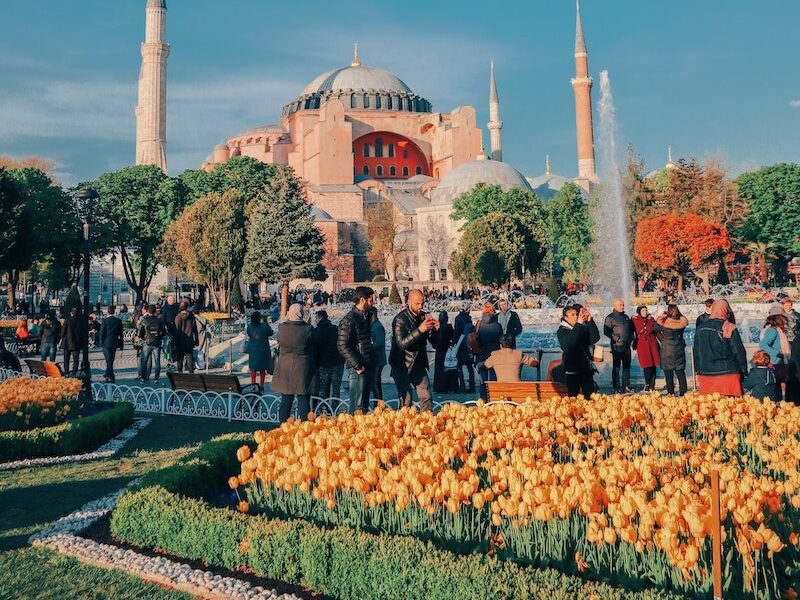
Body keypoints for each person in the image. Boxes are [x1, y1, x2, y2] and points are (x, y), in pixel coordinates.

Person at [388, 289, 440, 411]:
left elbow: (435, 344)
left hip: (418, 363)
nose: (420, 306)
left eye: (422, 303)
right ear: (409, 302)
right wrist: (420, 330)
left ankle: (427, 422)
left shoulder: (423, 316)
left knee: (426, 395)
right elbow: (401, 344)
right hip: (401, 364)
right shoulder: (400, 319)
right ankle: (404, 425)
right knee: (406, 399)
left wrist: (436, 331)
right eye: (417, 303)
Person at [272, 303, 317, 422]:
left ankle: (283, 426)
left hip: (285, 366)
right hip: (302, 367)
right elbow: (313, 343)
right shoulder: (307, 329)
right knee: (303, 398)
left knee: (286, 399)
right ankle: (305, 427)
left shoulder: (282, 328)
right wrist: (308, 324)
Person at [693, 299, 747, 395]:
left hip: (706, 374)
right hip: (729, 373)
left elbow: (697, 352)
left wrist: (698, 371)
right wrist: (743, 372)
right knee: (731, 407)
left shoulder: (700, 328)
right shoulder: (729, 327)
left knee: (710, 407)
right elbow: (739, 352)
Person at [337, 286, 374, 414]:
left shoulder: (365, 316)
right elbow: (342, 345)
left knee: (363, 402)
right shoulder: (350, 319)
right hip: (357, 367)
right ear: (363, 300)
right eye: (371, 300)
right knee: (357, 405)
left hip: (366, 363)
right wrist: (358, 365)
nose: (372, 303)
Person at [557, 305, 599, 397]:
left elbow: (594, 338)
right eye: (572, 315)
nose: (576, 316)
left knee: (591, 396)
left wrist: (590, 321)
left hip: (585, 368)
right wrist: (579, 325)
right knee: (573, 397)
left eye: (576, 314)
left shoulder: (580, 328)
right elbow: (570, 343)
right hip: (572, 370)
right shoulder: (562, 331)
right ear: (565, 318)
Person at [654, 305, 689, 396]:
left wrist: (661, 316)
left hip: (667, 351)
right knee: (680, 373)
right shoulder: (681, 323)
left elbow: (654, 328)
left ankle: (671, 393)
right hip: (679, 349)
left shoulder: (665, 322)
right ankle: (683, 394)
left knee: (668, 375)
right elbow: (683, 321)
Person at [311, 310, 344, 399]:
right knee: (336, 391)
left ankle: (323, 410)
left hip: (323, 365)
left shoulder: (316, 331)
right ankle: (335, 409)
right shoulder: (336, 329)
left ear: (318, 318)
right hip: (338, 363)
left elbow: (315, 350)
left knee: (323, 390)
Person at [604, 298, 634, 394]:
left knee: (627, 367)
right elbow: (606, 331)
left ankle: (626, 386)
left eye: (623, 305)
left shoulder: (625, 316)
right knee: (616, 367)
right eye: (620, 305)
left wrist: (631, 338)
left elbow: (630, 329)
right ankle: (616, 387)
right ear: (615, 306)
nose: (623, 306)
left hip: (626, 346)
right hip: (617, 346)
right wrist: (616, 338)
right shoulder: (610, 317)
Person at [759, 306, 791, 394]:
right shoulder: (772, 330)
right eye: (782, 317)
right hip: (775, 362)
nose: (784, 319)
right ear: (777, 318)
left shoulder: (777, 329)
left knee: (781, 384)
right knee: (778, 384)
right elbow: (763, 344)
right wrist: (777, 353)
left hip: (778, 361)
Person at [632, 305, 661, 392]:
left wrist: (664, 341)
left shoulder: (651, 319)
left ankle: (652, 385)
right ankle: (647, 384)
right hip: (642, 345)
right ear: (639, 312)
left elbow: (657, 332)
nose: (645, 312)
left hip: (652, 344)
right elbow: (630, 330)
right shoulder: (635, 320)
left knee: (653, 364)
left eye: (646, 310)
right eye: (643, 310)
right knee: (646, 365)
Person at [475, 303, 503, 386]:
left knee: (483, 378)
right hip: (494, 355)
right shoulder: (498, 326)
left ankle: (483, 397)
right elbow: (501, 340)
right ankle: (493, 397)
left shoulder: (479, 324)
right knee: (493, 378)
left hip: (481, 354)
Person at [138, 304, 166, 383]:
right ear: (155, 311)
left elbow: (140, 332)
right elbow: (164, 332)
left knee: (144, 361)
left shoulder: (145, 319)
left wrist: (144, 338)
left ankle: (143, 378)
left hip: (147, 343)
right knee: (157, 362)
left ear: (148, 311)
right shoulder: (159, 320)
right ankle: (156, 379)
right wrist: (159, 338)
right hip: (157, 343)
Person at [780, 297, 800, 403]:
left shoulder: (797, 315)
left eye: (789, 304)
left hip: (796, 340)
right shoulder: (780, 316)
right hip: (785, 341)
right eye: (785, 304)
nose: (787, 306)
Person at [245, 311, 273, 388]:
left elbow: (249, 334)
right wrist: (266, 323)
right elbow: (270, 332)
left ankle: (253, 384)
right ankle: (261, 384)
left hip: (253, 350)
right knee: (262, 369)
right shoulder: (263, 326)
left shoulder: (250, 327)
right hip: (263, 350)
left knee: (253, 369)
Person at [432, 311, 458, 393]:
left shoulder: (437, 328)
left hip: (439, 352)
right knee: (449, 369)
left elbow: (433, 341)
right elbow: (453, 339)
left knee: (439, 371)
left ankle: (439, 387)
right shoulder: (449, 327)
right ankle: (450, 387)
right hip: (447, 351)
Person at [452, 302, 475, 393]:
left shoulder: (458, 318)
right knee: (470, 367)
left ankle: (462, 386)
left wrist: (454, 343)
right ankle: (472, 387)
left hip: (460, 345)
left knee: (459, 367)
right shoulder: (469, 318)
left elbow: (457, 332)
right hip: (469, 345)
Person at [98, 305, 124, 382]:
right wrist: (121, 345)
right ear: (114, 311)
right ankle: (107, 374)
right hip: (114, 342)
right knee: (111, 360)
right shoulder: (118, 321)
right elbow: (121, 334)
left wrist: (100, 343)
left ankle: (111, 376)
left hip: (106, 343)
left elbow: (102, 333)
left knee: (109, 360)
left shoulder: (105, 321)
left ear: (107, 312)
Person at [173, 301, 198, 373]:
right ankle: (191, 374)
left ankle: (180, 374)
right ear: (187, 307)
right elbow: (195, 329)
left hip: (180, 342)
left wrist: (174, 342)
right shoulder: (191, 316)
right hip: (189, 341)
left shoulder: (178, 317)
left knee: (180, 360)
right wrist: (196, 339)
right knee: (189, 358)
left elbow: (177, 330)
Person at [369, 307, 387, 401]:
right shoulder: (374, 325)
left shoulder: (377, 326)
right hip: (377, 359)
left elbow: (379, 343)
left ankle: (379, 404)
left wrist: (368, 346)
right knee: (374, 382)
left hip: (378, 359)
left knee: (376, 383)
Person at [60, 306, 84, 374]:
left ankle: (67, 371)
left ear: (71, 313)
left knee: (66, 359)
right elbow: (82, 332)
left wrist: (61, 337)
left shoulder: (67, 320)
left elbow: (63, 332)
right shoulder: (80, 321)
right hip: (76, 342)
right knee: (76, 359)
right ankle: (74, 371)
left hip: (67, 342)